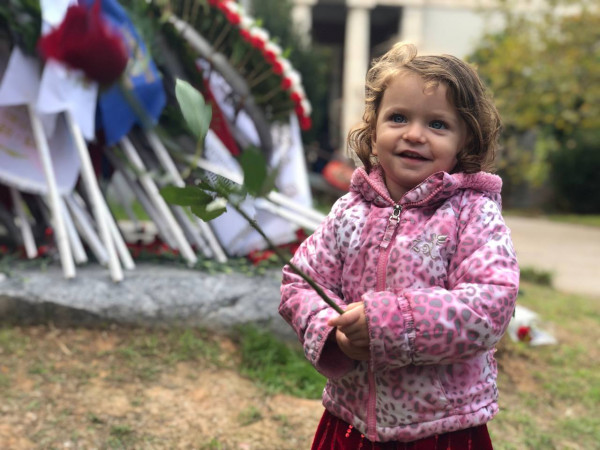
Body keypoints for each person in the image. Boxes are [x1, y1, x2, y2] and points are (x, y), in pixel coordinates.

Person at [279, 42, 519, 449]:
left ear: (465, 142)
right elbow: (299, 282)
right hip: (351, 420)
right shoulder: (349, 212)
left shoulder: (470, 214)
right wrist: (333, 330)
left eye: (437, 124)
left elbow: (490, 305)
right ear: (373, 133)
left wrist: (389, 324)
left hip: (441, 427)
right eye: (398, 117)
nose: (414, 134)